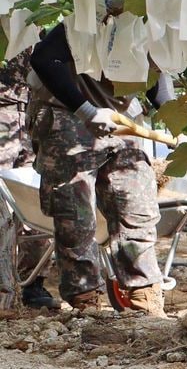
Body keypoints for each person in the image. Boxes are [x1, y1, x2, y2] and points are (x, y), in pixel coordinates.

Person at [27, 22, 173, 316]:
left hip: (120, 115)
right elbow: (43, 59)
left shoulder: (160, 24)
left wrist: (180, 122)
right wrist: (86, 111)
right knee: (75, 214)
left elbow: (160, 78)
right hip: (65, 111)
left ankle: (144, 298)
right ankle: (85, 301)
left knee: (137, 207)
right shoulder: (89, 15)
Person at [1, 49, 58, 308]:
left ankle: (32, 283)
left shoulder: (37, 17)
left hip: (33, 113)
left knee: (35, 201)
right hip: (4, 110)